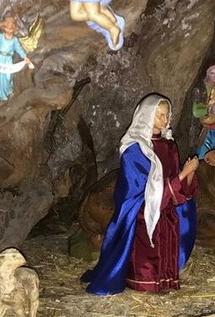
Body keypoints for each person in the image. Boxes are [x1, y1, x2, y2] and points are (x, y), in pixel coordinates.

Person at [83, 94, 199, 294]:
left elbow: (175, 179)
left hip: (166, 209)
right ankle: (144, 282)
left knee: (165, 246)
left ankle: (164, 280)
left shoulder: (170, 146)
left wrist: (188, 175)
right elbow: (140, 190)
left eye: (167, 115)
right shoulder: (136, 150)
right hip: (144, 211)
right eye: (159, 115)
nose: (164, 120)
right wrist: (182, 175)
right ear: (146, 116)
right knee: (147, 252)